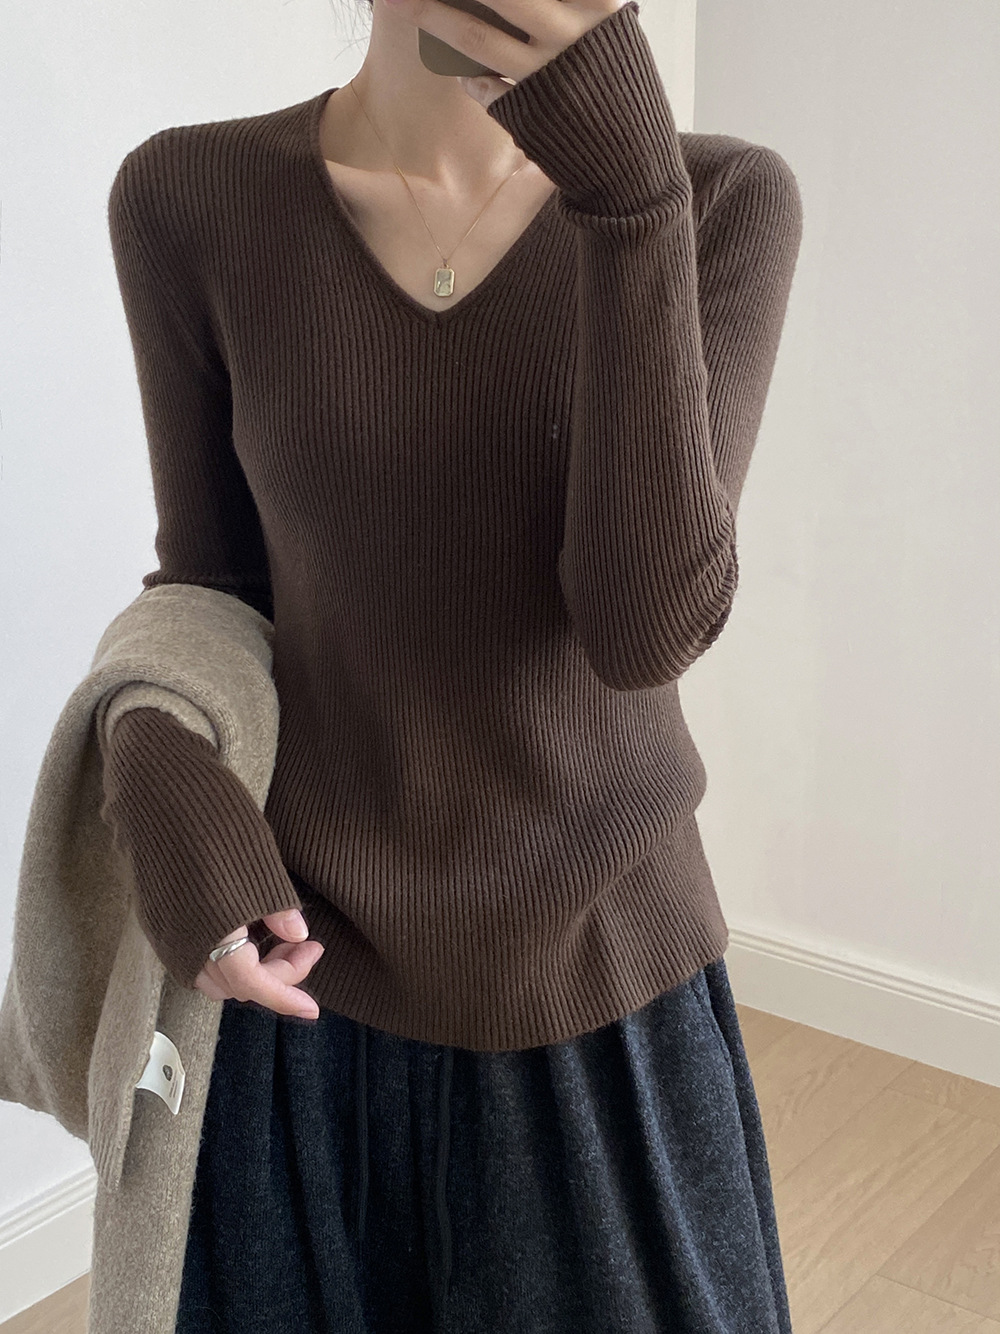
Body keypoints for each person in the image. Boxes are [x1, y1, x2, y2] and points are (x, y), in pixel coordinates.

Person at [99, 0, 804, 1329]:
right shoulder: (189, 195)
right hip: (304, 989)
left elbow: (642, 631)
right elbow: (212, 582)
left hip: (604, 990)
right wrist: (152, 764)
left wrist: (630, 205)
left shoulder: (717, 198)